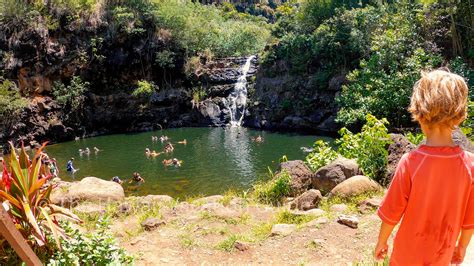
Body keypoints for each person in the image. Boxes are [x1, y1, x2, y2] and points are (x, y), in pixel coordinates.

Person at [374, 70, 474, 264]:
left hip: (406, 257)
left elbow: (392, 212)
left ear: (419, 114)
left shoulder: (411, 162)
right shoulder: (470, 166)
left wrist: (381, 241)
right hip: (442, 255)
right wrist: (462, 245)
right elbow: (470, 218)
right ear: (460, 116)